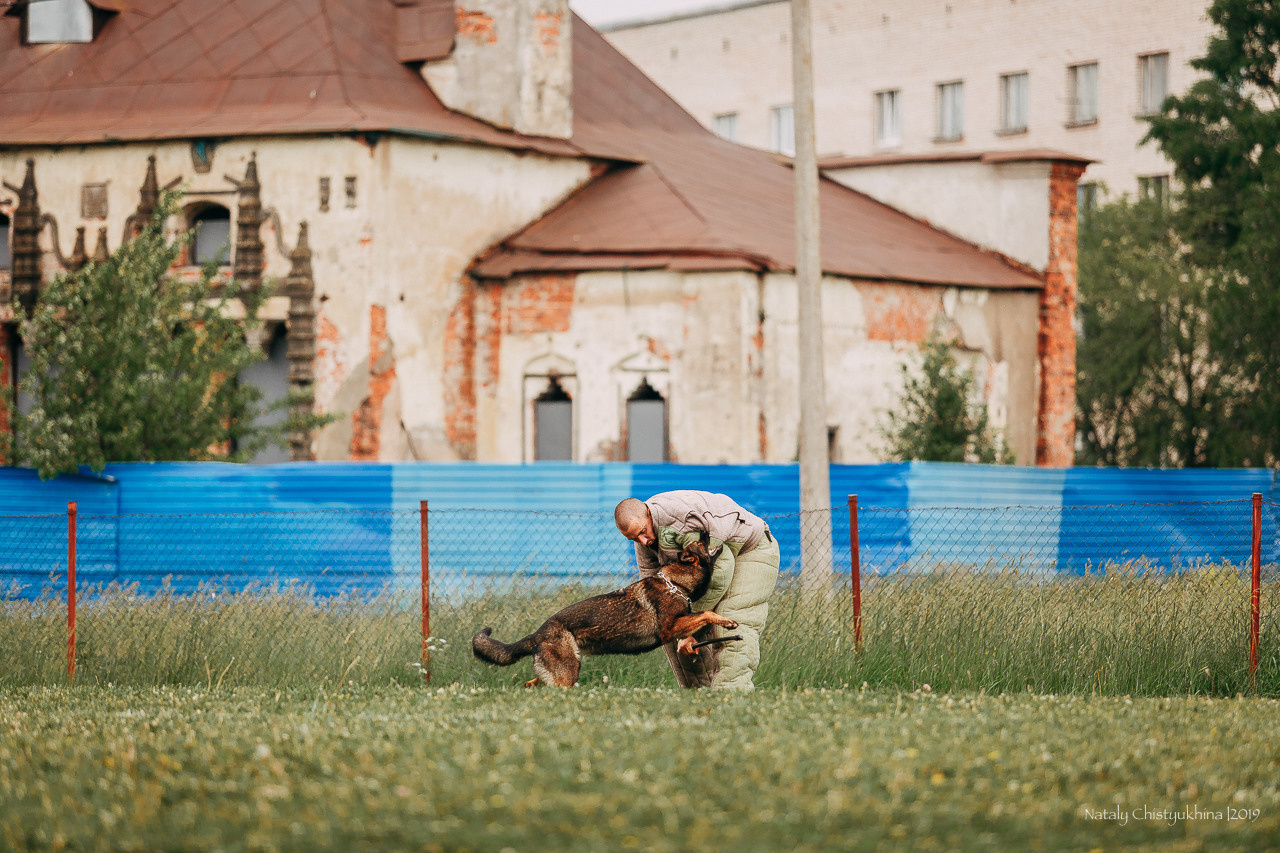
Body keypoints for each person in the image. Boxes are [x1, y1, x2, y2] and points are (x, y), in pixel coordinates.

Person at [614, 491, 780, 690]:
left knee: (731, 619)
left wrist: (688, 624)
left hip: (750, 548)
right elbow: (654, 586)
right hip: (715, 560)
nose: (643, 541)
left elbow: (720, 568)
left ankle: (732, 700)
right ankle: (699, 701)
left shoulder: (680, 521)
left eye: (642, 532)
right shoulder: (645, 537)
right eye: (634, 538)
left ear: (648, 513)